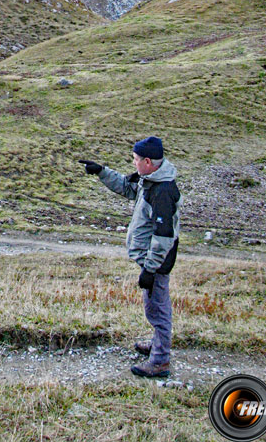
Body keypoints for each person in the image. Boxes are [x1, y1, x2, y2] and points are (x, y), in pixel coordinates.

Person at [80, 136, 182, 378]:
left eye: (135, 159)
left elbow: (164, 236)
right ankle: (157, 346)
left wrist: (150, 269)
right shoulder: (150, 180)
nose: (133, 163)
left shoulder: (163, 191)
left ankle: (160, 361)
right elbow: (127, 187)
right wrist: (101, 172)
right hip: (150, 260)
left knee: (157, 308)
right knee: (154, 306)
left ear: (148, 161)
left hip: (156, 262)